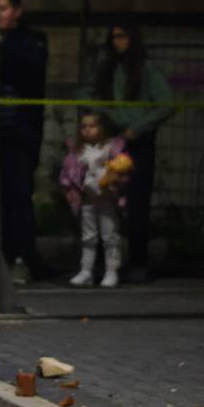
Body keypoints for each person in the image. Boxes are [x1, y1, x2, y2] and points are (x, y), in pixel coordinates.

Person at [93, 23, 174, 282]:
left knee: (137, 204)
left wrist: (136, 129)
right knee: (105, 202)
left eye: (122, 36)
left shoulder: (145, 69)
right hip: (113, 141)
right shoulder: (109, 68)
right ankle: (107, 263)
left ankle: (138, 260)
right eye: (114, 37)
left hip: (137, 144)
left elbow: (166, 105)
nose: (117, 42)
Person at [0, 0, 48, 283]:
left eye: (3, 8)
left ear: (17, 11)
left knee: (18, 196)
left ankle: (22, 257)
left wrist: (1, 44)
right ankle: (1, 255)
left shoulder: (32, 40)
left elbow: (30, 69)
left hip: (20, 131)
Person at [58, 110, 130, 288]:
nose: (87, 130)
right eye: (83, 127)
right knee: (88, 237)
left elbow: (123, 171)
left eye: (92, 126)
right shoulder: (77, 151)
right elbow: (68, 173)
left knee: (110, 235)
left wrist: (115, 181)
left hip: (107, 198)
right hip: (87, 199)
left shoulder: (111, 148)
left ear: (102, 128)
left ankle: (111, 272)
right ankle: (86, 271)